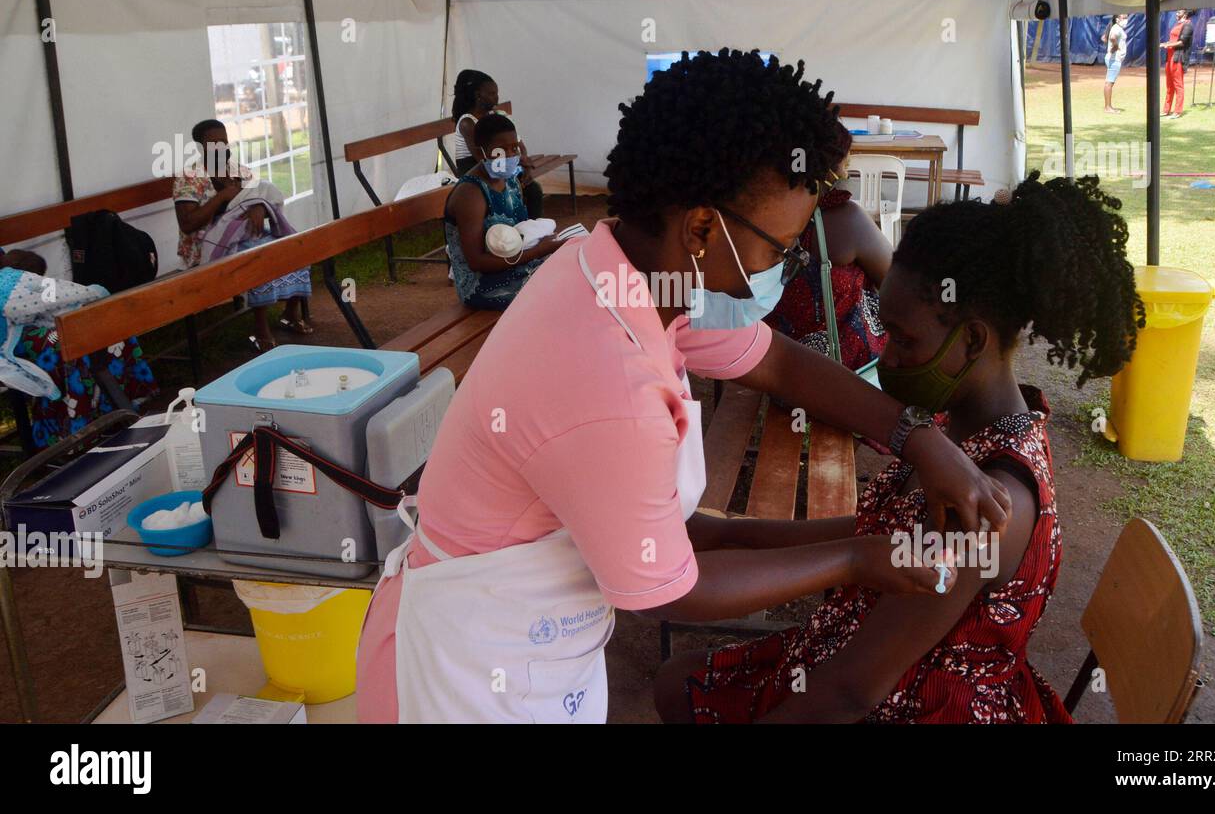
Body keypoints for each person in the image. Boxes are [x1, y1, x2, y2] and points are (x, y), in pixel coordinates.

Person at [355, 49, 1012, 724]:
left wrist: (917, 435)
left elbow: (777, 362)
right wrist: (852, 556)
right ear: (702, 227)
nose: (783, 264)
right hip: (466, 673)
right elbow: (668, 588)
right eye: (779, 248)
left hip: (528, 638)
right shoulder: (610, 377)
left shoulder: (623, 273)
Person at [654, 172, 1142, 724]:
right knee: (678, 683)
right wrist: (731, 532)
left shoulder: (987, 503)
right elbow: (874, 533)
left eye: (904, 340)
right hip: (854, 661)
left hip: (912, 701)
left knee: (686, 692)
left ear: (974, 340)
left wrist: (739, 541)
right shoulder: (955, 438)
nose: (884, 360)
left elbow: (851, 692)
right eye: (883, 332)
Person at [175, 120, 312, 351]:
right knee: (257, 258)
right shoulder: (189, 178)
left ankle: (289, 312)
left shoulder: (239, 171)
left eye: (224, 141)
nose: (222, 147)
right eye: (214, 143)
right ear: (201, 146)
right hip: (206, 246)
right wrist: (222, 196)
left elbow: (262, 196)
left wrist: (258, 208)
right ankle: (260, 328)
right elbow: (188, 224)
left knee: (294, 248)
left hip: (245, 235)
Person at [766, 124, 891, 373]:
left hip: (779, 371)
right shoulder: (847, 220)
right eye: (845, 163)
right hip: (851, 375)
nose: (847, 171)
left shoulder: (761, 219)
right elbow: (895, 283)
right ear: (829, 168)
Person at [0, 250, 158, 447]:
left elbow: (41, 289)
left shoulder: (11, 278)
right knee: (66, 341)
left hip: (26, 328)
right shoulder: (9, 284)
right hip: (13, 340)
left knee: (96, 323)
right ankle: (75, 427)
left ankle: (112, 407)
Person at [444, 112, 564, 310]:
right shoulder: (471, 194)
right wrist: (541, 249)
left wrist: (543, 247)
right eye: (501, 150)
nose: (510, 156)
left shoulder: (509, 180)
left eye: (514, 148)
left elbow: (520, 236)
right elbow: (476, 262)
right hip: (482, 285)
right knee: (555, 294)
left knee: (571, 271)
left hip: (513, 267)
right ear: (481, 152)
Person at [450, 69, 544, 218]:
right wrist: (518, 165)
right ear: (478, 95)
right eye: (492, 94)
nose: (497, 98)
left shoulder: (498, 116)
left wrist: (525, 168)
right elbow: (482, 158)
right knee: (521, 192)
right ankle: (514, 232)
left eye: (497, 93)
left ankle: (534, 230)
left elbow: (520, 146)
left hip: (501, 166)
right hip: (478, 171)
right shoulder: (468, 122)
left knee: (533, 189)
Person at [1160, 9, 1194, 119]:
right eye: (1177, 12)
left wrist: (1168, 45)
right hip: (1169, 57)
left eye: (1179, 12)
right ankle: (1166, 110)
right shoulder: (1177, 24)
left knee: (1178, 85)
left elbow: (1182, 42)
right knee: (1169, 85)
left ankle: (1177, 111)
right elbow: (1173, 39)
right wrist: (1165, 43)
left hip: (1178, 58)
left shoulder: (1188, 25)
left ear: (1185, 14)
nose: (1177, 13)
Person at [1102, 13, 1129, 113]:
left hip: (1113, 58)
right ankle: (1107, 107)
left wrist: (1112, 46)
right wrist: (1115, 46)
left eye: (1127, 17)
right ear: (1117, 19)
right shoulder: (1116, 28)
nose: (1126, 19)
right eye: (1124, 17)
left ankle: (1108, 106)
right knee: (1109, 83)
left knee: (1109, 82)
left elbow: (1104, 38)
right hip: (1114, 59)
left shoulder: (1115, 27)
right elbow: (1112, 37)